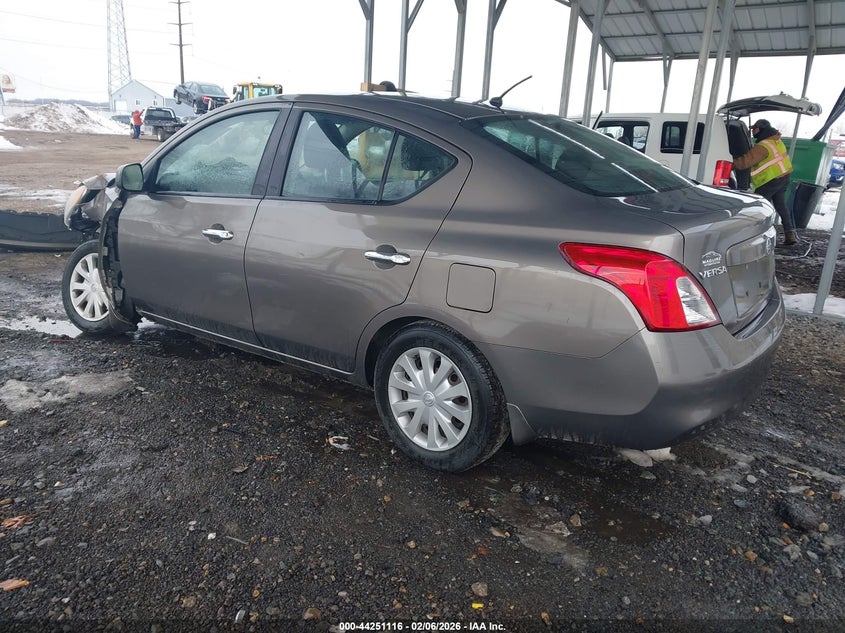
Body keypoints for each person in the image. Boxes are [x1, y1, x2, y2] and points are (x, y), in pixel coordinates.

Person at [733, 119, 797, 245]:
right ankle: (790, 234)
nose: (752, 131)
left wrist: (732, 163)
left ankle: (754, 235)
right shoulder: (775, 140)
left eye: (754, 129)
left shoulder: (763, 146)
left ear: (761, 129)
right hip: (783, 176)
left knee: (758, 206)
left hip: (771, 179)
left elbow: (745, 162)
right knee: (780, 206)